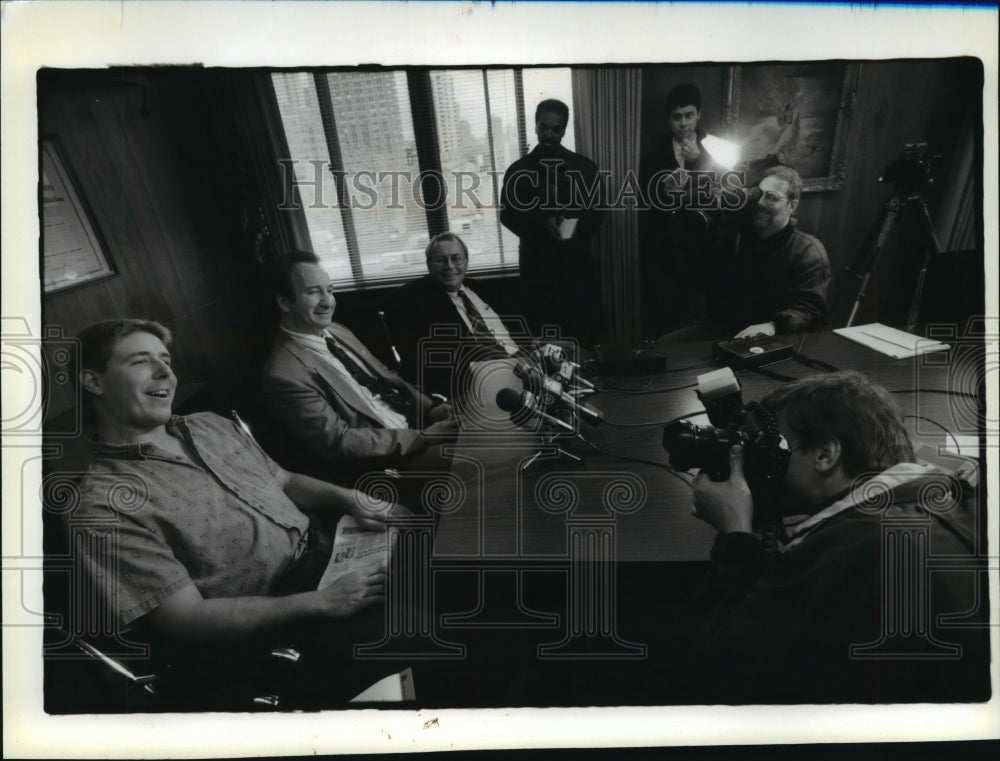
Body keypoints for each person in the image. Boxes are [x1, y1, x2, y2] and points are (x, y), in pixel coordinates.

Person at [67, 319, 398, 707]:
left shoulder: (210, 424)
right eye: (141, 361)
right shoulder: (101, 505)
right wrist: (322, 601)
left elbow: (285, 481)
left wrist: (350, 499)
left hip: (330, 558)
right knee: (423, 637)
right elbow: (186, 619)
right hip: (273, 628)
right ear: (94, 382)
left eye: (166, 360)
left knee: (444, 562)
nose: (166, 373)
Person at [670, 371, 988, 702]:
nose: (766, 461)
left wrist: (734, 533)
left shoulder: (847, 551)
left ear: (825, 454)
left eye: (777, 447)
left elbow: (717, 668)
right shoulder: (952, 498)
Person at [261, 250, 457, 483]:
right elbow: (340, 442)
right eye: (314, 292)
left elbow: (389, 378)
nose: (327, 302)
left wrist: (430, 410)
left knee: (494, 428)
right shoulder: (283, 375)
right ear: (284, 302)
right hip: (385, 466)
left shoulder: (337, 331)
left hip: (418, 428)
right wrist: (424, 437)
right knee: (484, 455)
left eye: (330, 290)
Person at [656, 165, 831, 344]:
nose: (761, 203)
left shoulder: (807, 251)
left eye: (772, 197)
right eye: (758, 195)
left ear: (791, 206)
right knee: (662, 349)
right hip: (723, 331)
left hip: (773, 339)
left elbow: (809, 310)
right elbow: (693, 278)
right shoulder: (736, 237)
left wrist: (772, 326)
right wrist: (684, 211)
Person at [500, 98, 604, 345]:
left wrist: (573, 226)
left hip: (577, 272)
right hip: (538, 273)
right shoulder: (517, 171)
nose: (548, 134)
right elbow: (507, 215)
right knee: (544, 346)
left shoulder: (585, 168)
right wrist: (541, 223)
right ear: (535, 126)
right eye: (544, 127)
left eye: (556, 129)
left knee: (584, 342)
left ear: (564, 130)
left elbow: (597, 214)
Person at [381, 232, 525, 399]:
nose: (449, 266)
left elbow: (516, 330)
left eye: (456, 258)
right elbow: (428, 365)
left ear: (466, 261)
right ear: (429, 264)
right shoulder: (415, 304)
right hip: (482, 384)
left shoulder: (483, 290)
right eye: (440, 260)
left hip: (523, 365)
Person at [639, 83, 728, 334]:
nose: (684, 123)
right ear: (668, 120)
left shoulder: (717, 149)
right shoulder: (654, 156)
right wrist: (663, 197)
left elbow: (727, 196)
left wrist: (698, 159)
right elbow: (645, 211)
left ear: (699, 114)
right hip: (668, 256)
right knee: (666, 324)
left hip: (705, 252)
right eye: (677, 117)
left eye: (689, 115)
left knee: (701, 325)